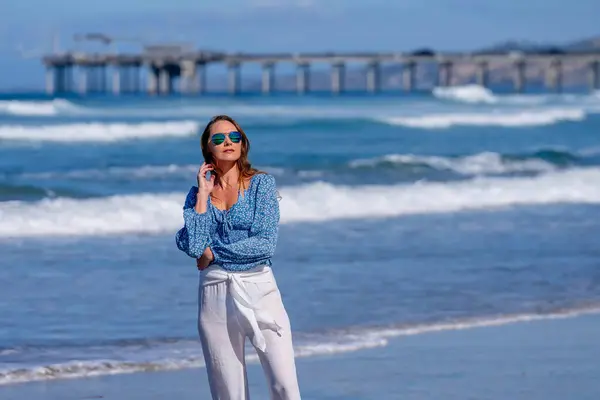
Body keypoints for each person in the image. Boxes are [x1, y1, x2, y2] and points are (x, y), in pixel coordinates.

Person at [175, 115, 301, 400]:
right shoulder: (197, 194)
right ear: (208, 149)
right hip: (214, 293)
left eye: (234, 137)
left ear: (243, 144)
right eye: (218, 139)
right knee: (228, 392)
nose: (227, 142)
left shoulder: (262, 185)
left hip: (259, 288)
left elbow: (265, 244)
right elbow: (194, 244)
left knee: (285, 387)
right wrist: (202, 198)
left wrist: (214, 252)